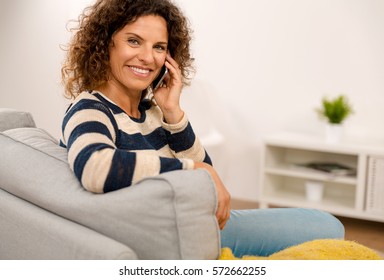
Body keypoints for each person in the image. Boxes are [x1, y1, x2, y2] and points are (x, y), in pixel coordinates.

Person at [60, 0, 344, 258]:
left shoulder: (152, 112)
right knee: (325, 225)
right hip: (172, 234)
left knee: (322, 223)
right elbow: (94, 167)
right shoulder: (91, 108)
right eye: (134, 41)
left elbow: (208, 173)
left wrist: (173, 112)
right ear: (103, 45)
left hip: (192, 221)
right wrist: (194, 170)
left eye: (159, 47)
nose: (148, 57)